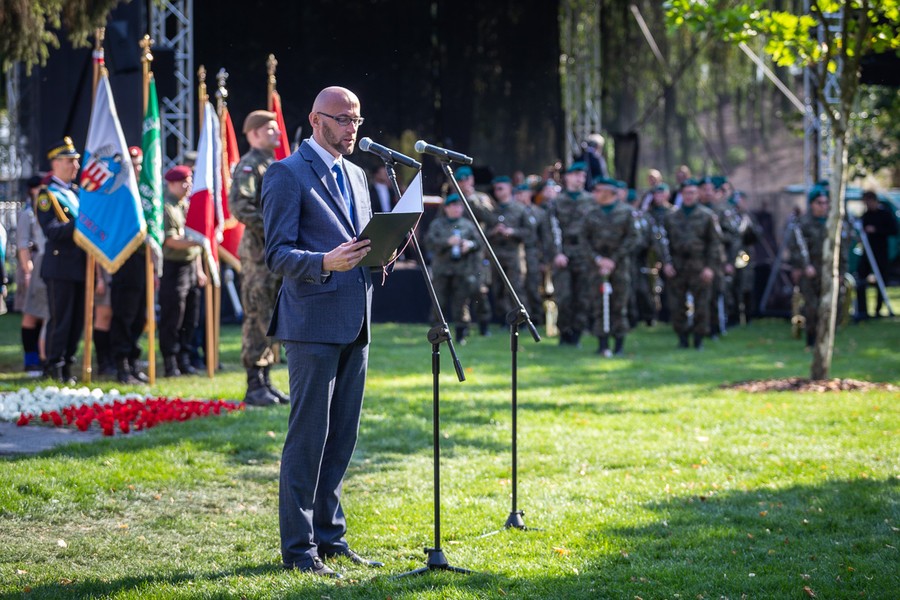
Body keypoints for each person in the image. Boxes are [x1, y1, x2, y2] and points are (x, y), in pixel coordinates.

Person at [262, 86, 382, 578]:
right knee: (308, 438)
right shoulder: (286, 174)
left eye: (356, 118)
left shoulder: (356, 173)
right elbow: (277, 254)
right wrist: (324, 262)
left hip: (356, 321)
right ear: (315, 120)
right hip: (311, 323)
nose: (352, 127)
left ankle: (331, 539)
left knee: (342, 437)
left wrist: (384, 254)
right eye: (343, 118)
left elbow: (362, 242)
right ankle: (299, 549)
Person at [228, 109, 286, 406]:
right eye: (269, 129)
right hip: (258, 254)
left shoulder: (272, 164)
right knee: (257, 315)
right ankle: (254, 384)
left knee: (271, 315)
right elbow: (239, 205)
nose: (276, 133)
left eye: (276, 128)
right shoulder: (250, 166)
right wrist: (275, 229)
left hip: (274, 253)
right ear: (253, 134)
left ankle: (266, 380)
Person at [36, 137, 86, 384]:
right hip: (60, 266)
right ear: (55, 164)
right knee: (62, 319)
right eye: (69, 161)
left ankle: (67, 364)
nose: (75, 166)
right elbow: (52, 231)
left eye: (76, 161)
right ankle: (53, 366)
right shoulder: (48, 196)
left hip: (79, 266)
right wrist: (81, 224)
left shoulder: (76, 193)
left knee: (77, 322)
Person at [158, 165, 207, 377]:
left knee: (191, 316)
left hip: (190, 266)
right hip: (173, 267)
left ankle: (185, 358)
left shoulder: (186, 205)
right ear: (171, 184)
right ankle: (170, 361)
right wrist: (198, 243)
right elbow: (170, 241)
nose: (188, 185)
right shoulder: (165, 207)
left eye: (189, 181)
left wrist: (199, 270)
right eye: (183, 182)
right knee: (173, 315)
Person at [662, 179, 722, 350]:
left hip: (699, 265)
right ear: (681, 195)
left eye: (693, 193)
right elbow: (663, 242)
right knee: (677, 304)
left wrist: (710, 267)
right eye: (686, 193)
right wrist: (666, 263)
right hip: (678, 266)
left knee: (702, 304)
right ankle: (682, 337)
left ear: (698, 194)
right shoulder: (671, 216)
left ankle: (699, 338)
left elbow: (714, 244)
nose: (689, 196)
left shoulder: (707, 216)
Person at [109, 147, 150, 384]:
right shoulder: (117, 193)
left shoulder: (145, 193)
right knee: (123, 314)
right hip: (122, 260)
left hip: (142, 261)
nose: (138, 169)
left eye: (140, 164)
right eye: (133, 164)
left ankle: (133, 361)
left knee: (139, 316)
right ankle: (121, 364)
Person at [789, 186, 847, 348]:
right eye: (819, 203)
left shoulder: (833, 223)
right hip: (810, 271)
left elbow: (842, 250)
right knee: (812, 307)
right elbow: (796, 248)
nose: (823, 206)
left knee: (830, 307)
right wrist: (804, 266)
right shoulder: (803, 224)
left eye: (826, 203)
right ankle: (811, 340)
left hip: (829, 271)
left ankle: (827, 341)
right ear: (812, 204)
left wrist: (841, 271)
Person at [584, 177, 636, 356]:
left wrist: (613, 259)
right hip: (597, 267)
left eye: (598, 190)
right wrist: (597, 259)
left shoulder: (626, 212)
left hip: (619, 266)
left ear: (608, 192)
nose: (595, 194)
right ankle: (602, 344)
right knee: (598, 304)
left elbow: (633, 238)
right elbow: (583, 240)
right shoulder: (590, 213)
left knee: (619, 305)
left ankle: (619, 344)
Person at [542, 162, 593, 346]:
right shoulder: (556, 203)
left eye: (583, 175)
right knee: (563, 296)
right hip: (563, 253)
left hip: (584, 254)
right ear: (568, 177)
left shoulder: (591, 201)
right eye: (577, 174)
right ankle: (565, 333)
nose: (580, 178)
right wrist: (557, 254)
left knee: (583, 296)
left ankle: (577, 333)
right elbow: (550, 231)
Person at [424, 193, 482, 342]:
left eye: (459, 206)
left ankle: (461, 333)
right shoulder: (437, 224)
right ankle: (437, 334)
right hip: (442, 270)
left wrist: (469, 245)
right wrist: (447, 242)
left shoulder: (468, 225)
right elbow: (429, 242)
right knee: (439, 302)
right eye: (454, 206)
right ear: (447, 208)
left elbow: (479, 243)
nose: (457, 209)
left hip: (462, 270)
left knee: (461, 303)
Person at [17, 175, 49, 376]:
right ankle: (31, 360)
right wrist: (28, 273)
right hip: (32, 267)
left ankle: (40, 356)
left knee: (42, 315)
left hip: (44, 266)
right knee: (31, 315)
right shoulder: (27, 214)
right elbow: (22, 245)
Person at [456, 165, 494, 335]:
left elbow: (490, 217)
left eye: (466, 179)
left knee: (480, 289)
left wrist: (472, 200)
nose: (464, 183)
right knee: (461, 290)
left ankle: (484, 324)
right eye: (460, 180)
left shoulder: (481, 198)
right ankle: (463, 326)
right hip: (459, 251)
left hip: (478, 250)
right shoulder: (452, 200)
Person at [487, 175, 530, 322]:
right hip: (497, 254)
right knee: (498, 288)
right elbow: (484, 233)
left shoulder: (520, 209)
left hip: (514, 253)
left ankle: (521, 319)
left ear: (509, 189)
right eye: (495, 189)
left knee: (516, 288)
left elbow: (529, 232)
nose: (497, 192)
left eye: (501, 188)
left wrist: (512, 232)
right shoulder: (493, 210)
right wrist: (494, 231)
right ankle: (504, 319)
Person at [855, 190, 898, 320]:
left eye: (867, 201)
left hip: (880, 253)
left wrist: (876, 230)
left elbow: (894, 230)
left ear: (873, 200)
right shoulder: (865, 215)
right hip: (867, 253)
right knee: (860, 278)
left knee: (881, 280)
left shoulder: (885, 214)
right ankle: (862, 311)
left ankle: (878, 310)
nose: (866, 204)